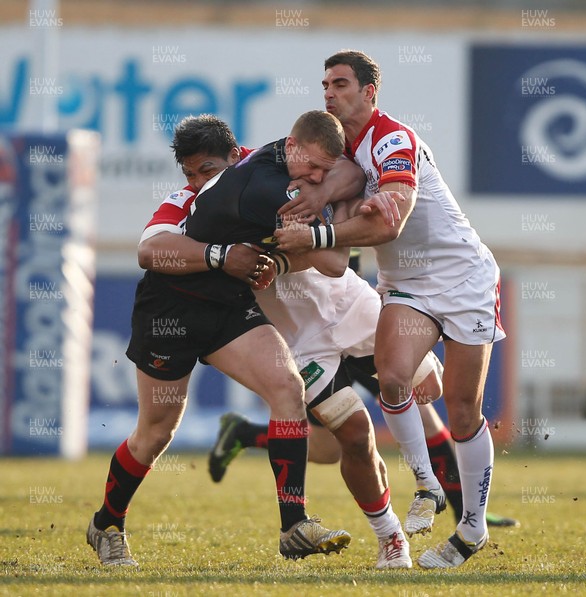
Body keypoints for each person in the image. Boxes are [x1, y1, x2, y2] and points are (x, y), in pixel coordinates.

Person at [86, 111, 353, 566]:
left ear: (235, 155)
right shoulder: (191, 198)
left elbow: (346, 168)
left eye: (205, 171)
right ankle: (106, 523)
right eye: (189, 173)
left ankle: (294, 525)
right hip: (170, 309)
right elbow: (149, 252)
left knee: (287, 388)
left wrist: (285, 255)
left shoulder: (277, 167)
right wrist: (220, 254)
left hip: (227, 307)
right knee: (156, 432)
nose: (195, 182)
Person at [276, 50, 507, 569]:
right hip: (407, 284)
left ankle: (473, 528)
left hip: (464, 276)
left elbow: (390, 225)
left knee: (463, 410)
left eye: (340, 84)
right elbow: (339, 185)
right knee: (393, 377)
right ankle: (427, 486)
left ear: (369, 92)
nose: (329, 93)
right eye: (325, 84)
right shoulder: (338, 152)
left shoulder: (393, 139)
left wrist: (317, 231)